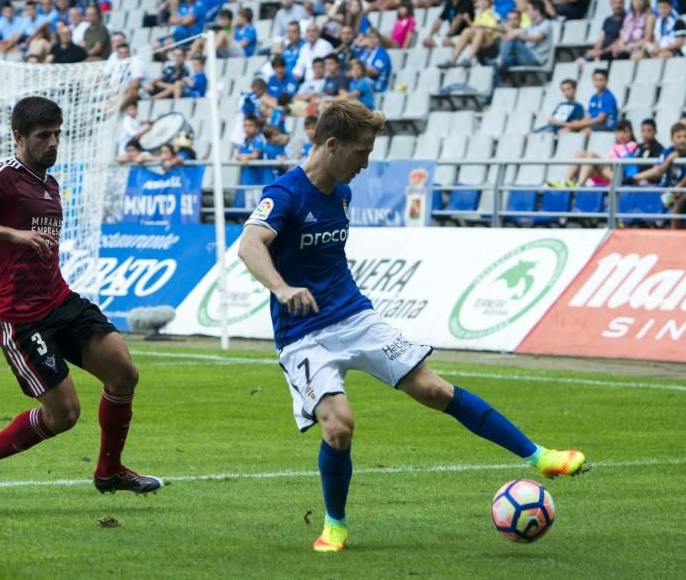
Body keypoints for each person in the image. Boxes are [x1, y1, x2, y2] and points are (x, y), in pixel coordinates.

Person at [236, 99, 587, 553]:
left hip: (354, 315)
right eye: (361, 152)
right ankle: (336, 525)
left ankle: (540, 457)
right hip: (303, 334)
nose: (366, 162)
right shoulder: (284, 195)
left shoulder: (341, 192)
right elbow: (250, 244)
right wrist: (282, 289)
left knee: (434, 389)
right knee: (339, 425)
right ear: (331, 144)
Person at [0, 97, 162, 512]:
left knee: (124, 373)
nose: (53, 143)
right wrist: (12, 235)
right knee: (64, 415)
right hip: (20, 317)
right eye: (44, 136)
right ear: (19, 137)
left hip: (60, 301)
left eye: (57, 134)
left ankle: (109, 471)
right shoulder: (3, 176)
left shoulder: (49, 182)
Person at [630, 122, 686, 227]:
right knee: (646, 193)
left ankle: (674, 233)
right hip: (667, 191)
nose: (683, 140)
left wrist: (679, 187)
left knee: (680, 199)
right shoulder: (667, 152)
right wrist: (668, 160)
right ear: (672, 140)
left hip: (681, 191)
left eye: (685, 136)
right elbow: (659, 171)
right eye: (678, 137)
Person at [557, 119, 639, 187]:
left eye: (625, 132)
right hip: (608, 172)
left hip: (620, 175)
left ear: (631, 133)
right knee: (580, 153)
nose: (621, 135)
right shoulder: (615, 146)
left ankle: (580, 185)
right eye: (619, 132)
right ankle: (566, 182)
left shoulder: (633, 145)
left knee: (592, 156)